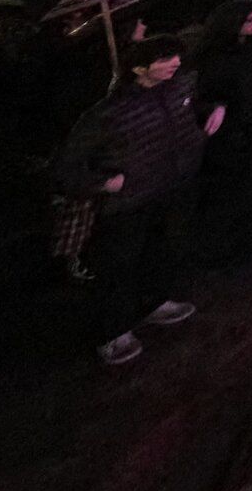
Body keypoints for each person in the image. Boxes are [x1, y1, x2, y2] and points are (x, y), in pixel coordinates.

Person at [59, 35, 222, 365]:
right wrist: (103, 182)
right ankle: (113, 332)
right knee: (119, 266)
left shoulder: (179, 88)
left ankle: (154, 302)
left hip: (172, 188)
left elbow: (188, 111)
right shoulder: (109, 112)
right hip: (129, 202)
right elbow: (65, 166)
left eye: (176, 56)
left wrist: (213, 111)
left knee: (164, 249)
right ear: (138, 68)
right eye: (165, 59)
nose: (176, 63)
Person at [191, 1, 252, 261]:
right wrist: (218, 106)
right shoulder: (214, 57)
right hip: (229, 134)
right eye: (250, 20)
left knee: (251, 187)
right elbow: (204, 94)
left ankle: (247, 239)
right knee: (228, 193)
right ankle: (222, 247)